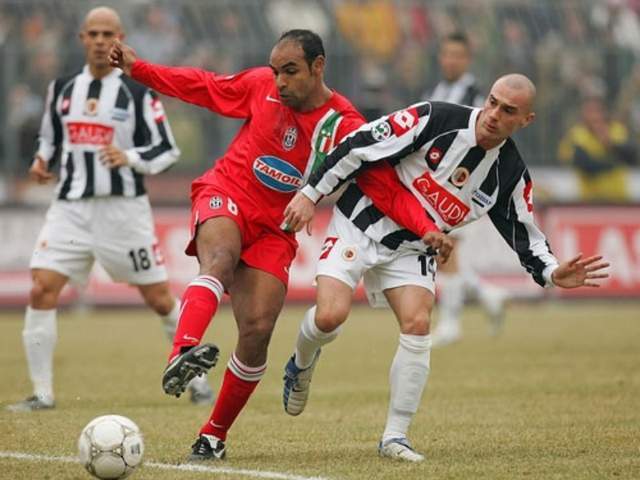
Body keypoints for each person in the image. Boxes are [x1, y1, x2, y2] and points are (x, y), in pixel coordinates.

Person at [108, 29, 443, 461]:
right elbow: (202, 86)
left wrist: (425, 227)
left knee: (258, 330)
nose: (279, 81)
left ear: (318, 67)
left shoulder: (344, 126)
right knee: (220, 260)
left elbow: (382, 186)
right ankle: (183, 351)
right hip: (227, 192)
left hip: (276, 228)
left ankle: (212, 437)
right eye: (275, 71)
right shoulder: (259, 86)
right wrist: (139, 69)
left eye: (290, 71)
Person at [281, 73, 610, 462]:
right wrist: (310, 193)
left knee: (418, 323)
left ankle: (395, 437)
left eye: (508, 111)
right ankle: (301, 364)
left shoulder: (510, 173)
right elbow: (359, 144)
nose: (494, 114)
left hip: (413, 248)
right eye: (492, 102)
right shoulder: (435, 118)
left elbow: (525, 234)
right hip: (359, 222)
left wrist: (552, 272)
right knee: (330, 316)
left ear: (526, 120)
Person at [6, 6, 213, 412]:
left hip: (123, 212)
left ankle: (198, 380)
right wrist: (41, 160)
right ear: (82, 39)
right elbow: (50, 137)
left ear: (120, 39)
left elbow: (167, 149)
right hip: (70, 209)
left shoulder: (137, 93)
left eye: (108, 34)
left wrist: (130, 157)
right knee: (41, 288)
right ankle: (42, 394)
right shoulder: (62, 89)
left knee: (158, 298)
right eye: (94, 34)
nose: (101, 41)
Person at [423, 31, 507, 346]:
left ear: (467, 59)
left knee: (444, 249)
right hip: (435, 181)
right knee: (442, 251)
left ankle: (451, 324)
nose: (450, 61)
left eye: (457, 55)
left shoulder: (478, 96)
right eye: (446, 54)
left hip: (463, 182)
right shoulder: (434, 91)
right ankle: (487, 294)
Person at [558, 94, 637, 202]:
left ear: (604, 112)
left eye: (597, 111)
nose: (594, 116)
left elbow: (631, 156)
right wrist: (615, 162)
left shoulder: (617, 130)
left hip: (619, 199)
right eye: (589, 112)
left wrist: (610, 144)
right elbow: (586, 166)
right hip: (590, 201)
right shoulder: (576, 135)